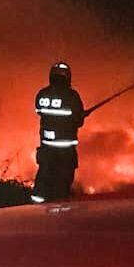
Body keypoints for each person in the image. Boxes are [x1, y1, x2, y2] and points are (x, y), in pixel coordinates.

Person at [32, 61, 84, 203]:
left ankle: (35, 208)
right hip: (65, 148)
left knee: (43, 178)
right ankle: (60, 212)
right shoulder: (72, 96)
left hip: (46, 147)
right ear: (68, 78)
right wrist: (79, 116)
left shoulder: (42, 94)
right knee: (63, 182)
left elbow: (40, 112)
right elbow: (79, 121)